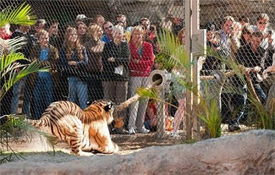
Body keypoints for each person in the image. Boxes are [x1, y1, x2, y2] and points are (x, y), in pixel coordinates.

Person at [128, 26, 155, 134]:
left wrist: (139, 62)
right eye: (135, 34)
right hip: (134, 75)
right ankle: (131, 126)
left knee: (144, 101)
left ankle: (140, 126)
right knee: (134, 101)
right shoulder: (129, 46)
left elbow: (150, 61)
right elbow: (130, 63)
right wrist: (141, 62)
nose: (137, 36)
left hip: (146, 76)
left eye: (139, 34)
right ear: (132, 35)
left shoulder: (148, 46)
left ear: (143, 35)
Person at [29, 30, 59, 119]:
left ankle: (48, 119)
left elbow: (54, 64)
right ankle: (38, 119)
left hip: (49, 78)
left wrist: (40, 63)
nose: (45, 40)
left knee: (48, 100)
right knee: (37, 100)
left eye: (46, 38)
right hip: (37, 78)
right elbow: (32, 61)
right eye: (42, 38)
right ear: (38, 39)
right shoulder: (35, 48)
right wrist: (45, 63)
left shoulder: (53, 49)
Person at [59, 26, 89, 109]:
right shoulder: (63, 49)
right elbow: (62, 64)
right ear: (67, 36)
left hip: (81, 77)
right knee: (71, 101)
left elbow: (86, 62)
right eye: (71, 34)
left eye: (75, 34)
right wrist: (68, 64)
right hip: (70, 77)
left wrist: (76, 63)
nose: (74, 36)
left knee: (83, 101)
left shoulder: (82, 48)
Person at [85, 24, 105, 101]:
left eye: (101, 30)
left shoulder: (103, 43)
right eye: (99, 31)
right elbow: (93, 51)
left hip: (101, 72)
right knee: (92, 95)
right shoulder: (88, 44)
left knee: (101, 94)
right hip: (91, 72)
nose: (101, 32)